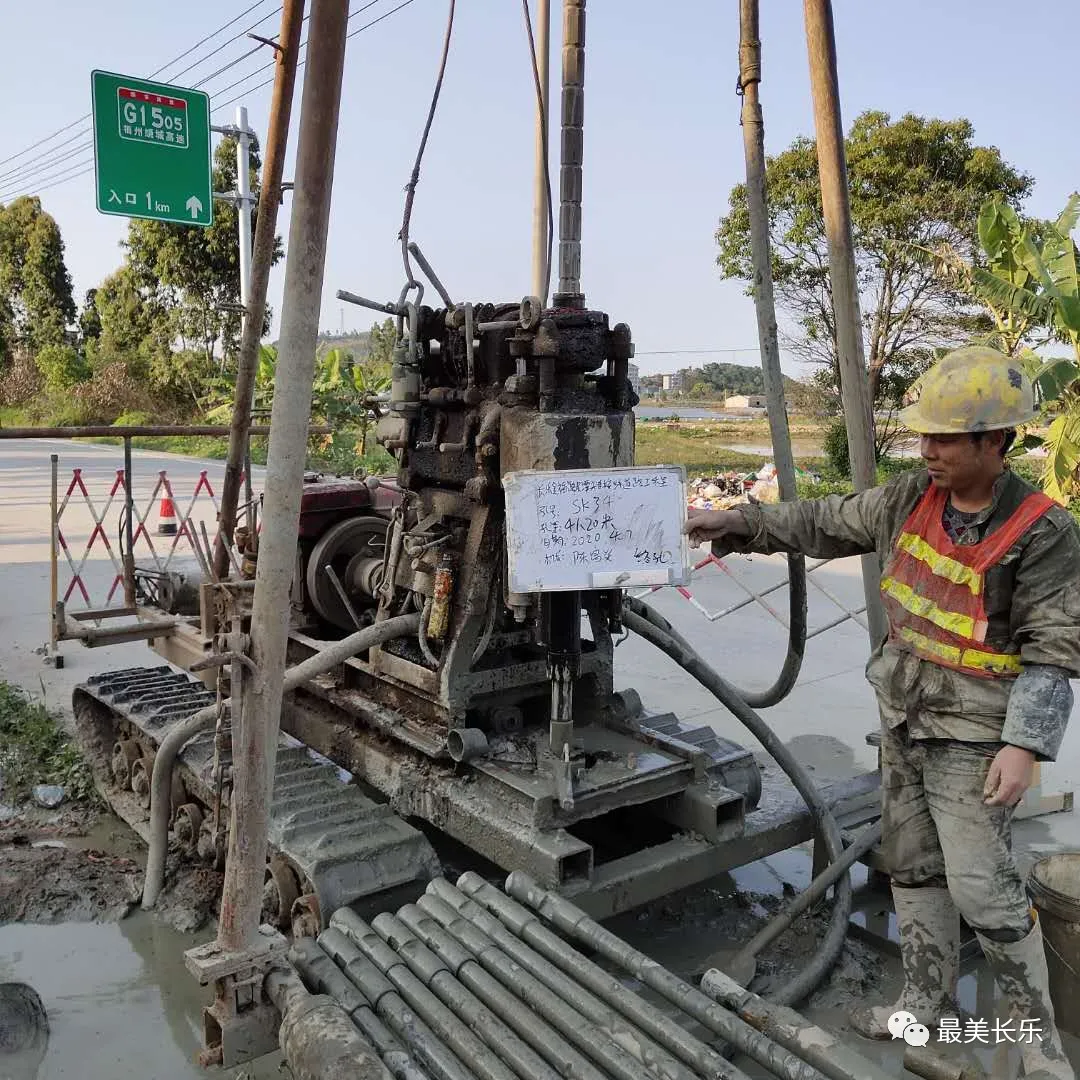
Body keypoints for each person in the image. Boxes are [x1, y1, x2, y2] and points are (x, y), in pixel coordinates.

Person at [685, 346, 1078, 1078]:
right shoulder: (906, 501)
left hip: (976, 737)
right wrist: (734, 523)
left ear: (996, 443)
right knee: (913, 867)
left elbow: (1055, 649)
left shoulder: (1043, 533)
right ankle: (920, 1008)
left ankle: (1039, 1046)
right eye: (923, 436)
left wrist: (1024, 746)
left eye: (946, 439)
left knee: (982, 889)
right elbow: (824, 520)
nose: (927, 451)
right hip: (902, 717)